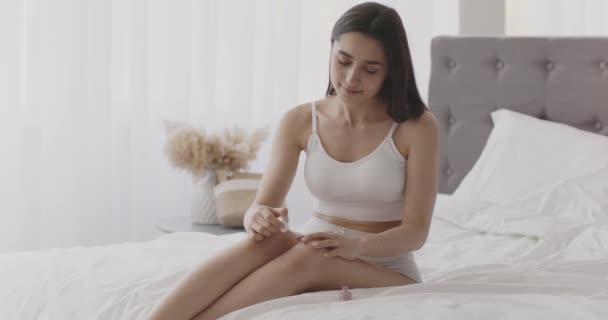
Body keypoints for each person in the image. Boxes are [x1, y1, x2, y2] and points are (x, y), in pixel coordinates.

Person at [147, 2, 438, 319]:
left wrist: (357, 247)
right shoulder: (300, 120)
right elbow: (261, 208)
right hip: (314, 247)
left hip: (382, 265)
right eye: (343, 61)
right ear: (331, 51)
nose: (352, 78)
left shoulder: (416, 127)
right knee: (269, 242)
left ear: (392, 70)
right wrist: (258, 218)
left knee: (309, 258)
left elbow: (415, 233)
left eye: (370, 69)